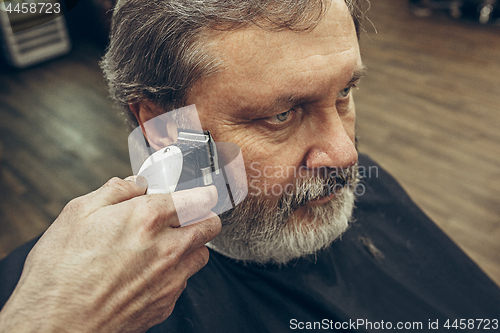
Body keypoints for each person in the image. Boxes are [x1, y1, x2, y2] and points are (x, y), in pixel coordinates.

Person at [1, 0, 499, 332]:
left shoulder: (358, 181)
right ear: (161, 125)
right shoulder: (42, 302)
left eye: (345, 92)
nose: (347, 154)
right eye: (281, 115)